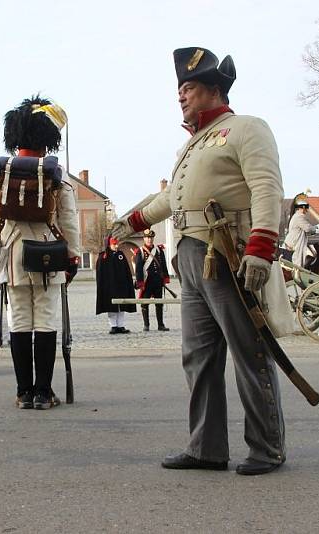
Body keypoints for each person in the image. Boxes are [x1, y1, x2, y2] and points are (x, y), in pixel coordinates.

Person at [112, 47, 289, 475]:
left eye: (188, 87)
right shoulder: (192, 145)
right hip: (191, 255)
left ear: (214, 88)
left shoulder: (246, 129)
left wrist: (261, 248)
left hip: (230, 252)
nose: (181, 96)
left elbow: (266, 188)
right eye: (179, 89)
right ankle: (207, 448)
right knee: (198, 356)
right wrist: (131, 219)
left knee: (250, 353)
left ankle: (267, 448)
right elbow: (172, 199)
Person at [0, 95, 80, 410]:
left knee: (20, 319)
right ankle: (43, 392)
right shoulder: (55, 173)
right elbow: (68, 217)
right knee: (47, 319)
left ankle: (23, 391)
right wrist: (73, 254)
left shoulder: (1, 173)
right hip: (48, 251)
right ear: (47, 138)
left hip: (11, 253)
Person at [95, 236, 136, 334]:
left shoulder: (120, 255)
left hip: (121, 286)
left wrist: (128, 284)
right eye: (114, 244)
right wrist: (102, 287)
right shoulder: (103, 256)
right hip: (109, 287)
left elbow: (127, 271)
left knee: (122, 305)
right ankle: (113, 325)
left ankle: (121, 325)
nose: (116, 246)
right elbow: (100, 275)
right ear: (109, 244)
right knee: (111, 307)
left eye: (117, 244)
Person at [134, 228, 171, 332]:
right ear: (144, 238)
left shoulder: (158, 250)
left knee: (159, 303)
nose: (149, 240)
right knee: (145, 303)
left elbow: (163, 264)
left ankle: (161, 324)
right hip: (147, 282)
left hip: (157, 281)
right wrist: (140, 282)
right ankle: (146, 325)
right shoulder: (140, 251)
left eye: (151, 238)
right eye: (147, 238)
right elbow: (138, 269)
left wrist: (165, 277)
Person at [283, 194, 319, 269]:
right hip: (295, 245)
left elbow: (308, 230)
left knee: (313, 254)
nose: (307, 209)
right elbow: (309, 229)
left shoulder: (298, 216)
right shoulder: (299, 217)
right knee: (311, 256)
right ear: (302, 207)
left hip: (297, 242)